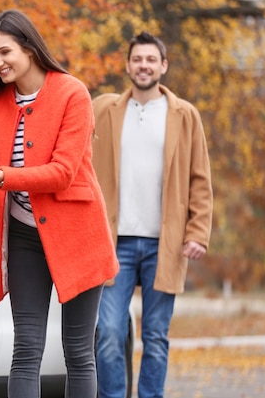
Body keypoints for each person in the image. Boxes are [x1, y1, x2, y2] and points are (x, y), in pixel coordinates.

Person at [0, 9, 119, 398]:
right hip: (25, 238)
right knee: (26, 348)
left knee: (78, 351)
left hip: (77, 236)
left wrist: (3, 177)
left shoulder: (72, 93)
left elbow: (62, 172)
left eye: (4, 52)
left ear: (28, 46)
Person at [91, 31, 213, 398]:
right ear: (128, 65)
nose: (143, 65)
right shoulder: (105, 108)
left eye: (150, 59)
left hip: (168, 242)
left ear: (163, 66)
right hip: (115, 242)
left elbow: (200, 178)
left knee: (156, 336)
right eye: (137, 59)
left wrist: (197, 231)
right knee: (109, 332)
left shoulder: (185, 115)